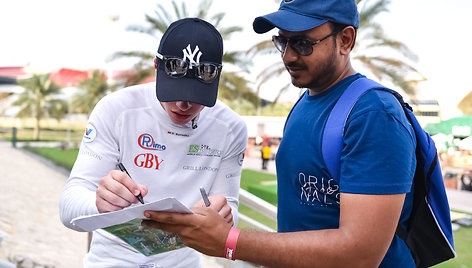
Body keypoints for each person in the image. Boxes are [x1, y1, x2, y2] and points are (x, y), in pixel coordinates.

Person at [142, 1, 418, 267]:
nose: (288, 55)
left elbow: (360, 255)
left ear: (345, 40)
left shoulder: (374, 115)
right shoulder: (304, 104)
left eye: (302, 43)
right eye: (282, 42)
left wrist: (229, 241)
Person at [59, 18, 247, 268]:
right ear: (156, 65)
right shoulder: (116, 109)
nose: (183, 104)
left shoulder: (231, 128)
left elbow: (229, 206)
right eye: (175, 90)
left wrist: (223, 215)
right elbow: (68, 208)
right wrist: (99, 203)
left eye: (196, 95)